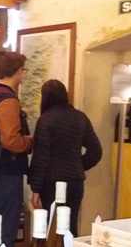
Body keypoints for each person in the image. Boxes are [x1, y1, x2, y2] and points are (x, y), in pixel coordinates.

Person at [29, 79, 102, 236]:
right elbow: (96, 152)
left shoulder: (46, 120)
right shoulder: (80, 117)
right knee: (70, 228)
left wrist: (35, 189)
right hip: (75, 183)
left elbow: (41, 158)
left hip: (51, 183)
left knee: (52, 229)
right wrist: (77, 166)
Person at [0, 52, 33, 247]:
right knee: (6, 228)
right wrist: (29, 141)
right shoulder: (7, 100)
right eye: (23, 70)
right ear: (19, 71)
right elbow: (11, 141)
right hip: (6, 171)